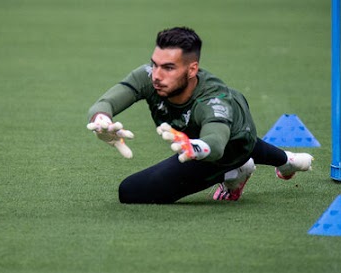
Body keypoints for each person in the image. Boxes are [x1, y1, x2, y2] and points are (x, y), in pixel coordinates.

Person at [86, 26, 313, 204]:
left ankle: (234, 172)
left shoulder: (213, 101)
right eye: (154, 64)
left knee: (130, 191)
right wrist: (100, 120)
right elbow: (107, 101)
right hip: (213, 131)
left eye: (168, 68)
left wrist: (195, 148)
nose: (156, 75)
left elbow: (214, 144)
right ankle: (287, 161)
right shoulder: (151, 76)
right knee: (222, 136)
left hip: (228, 144)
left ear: (192, 69)